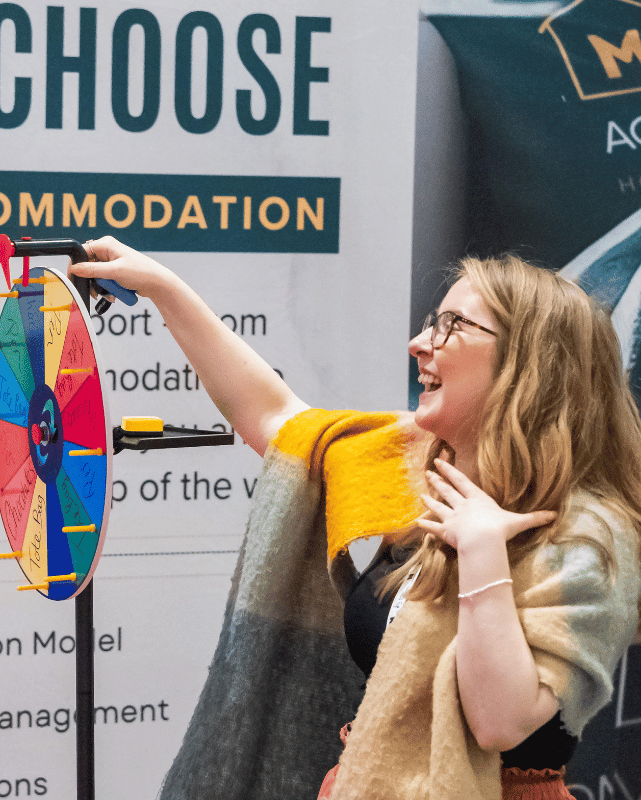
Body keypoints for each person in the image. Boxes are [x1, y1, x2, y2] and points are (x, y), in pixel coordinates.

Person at [70, 238, 641, 800]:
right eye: (431, 322)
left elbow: (498, 724)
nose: (419, 343)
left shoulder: (588, 537)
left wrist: (483, 554)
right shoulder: (421, 459)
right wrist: (163, 287)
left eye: (452, 326)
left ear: (530, 364)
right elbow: (277, 418)